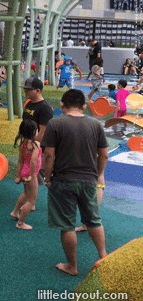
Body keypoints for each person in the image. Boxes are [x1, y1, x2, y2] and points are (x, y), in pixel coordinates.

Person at [41, 89, 108, 276]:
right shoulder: (95, 124)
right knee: (94, 220)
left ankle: (72, 266)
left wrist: (48, 179)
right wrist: (97, 173)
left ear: (62, 104)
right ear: (84, 106)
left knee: (67, 225)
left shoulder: (55, 123)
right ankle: (103, 256)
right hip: (88, 180)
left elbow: (48, 155)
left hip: (63, 180)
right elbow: (104, 154)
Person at [21, 77, 54, 189]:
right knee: (28, 174)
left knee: (38, 175)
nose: (25, 92)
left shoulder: (45, 108)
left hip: (38, 148)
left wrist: (33, 146)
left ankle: (33, 201)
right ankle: (30, 200)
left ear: (38, 90)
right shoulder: (28, 104)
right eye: (25, 89)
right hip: (27, 143)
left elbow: (43, 131)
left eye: (29, 90)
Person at [10, 119, 41, 230]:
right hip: (30, 174)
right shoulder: (35, 144)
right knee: (31, 200)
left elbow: (20, 161)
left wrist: (18, 176)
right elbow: (33, 161)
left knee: (26, 194)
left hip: (24, 172)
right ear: (34, 132)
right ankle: (20, 223)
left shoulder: (23, 144)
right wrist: (32, 176)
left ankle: (15, 212)